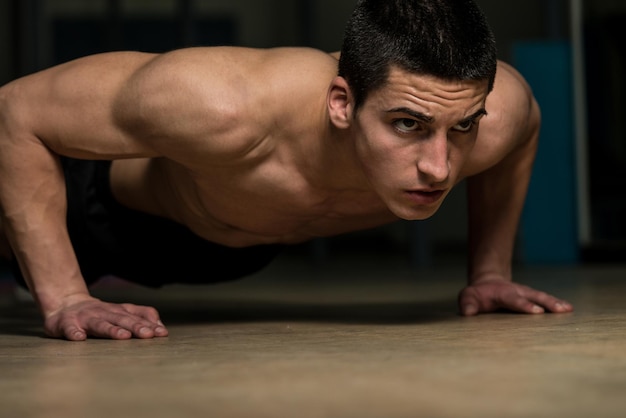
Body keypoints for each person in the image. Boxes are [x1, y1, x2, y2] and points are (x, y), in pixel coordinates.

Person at [0, 0, 573, 341]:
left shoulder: (497, 117)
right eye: (407, 125)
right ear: (341, 103)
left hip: (226, 244)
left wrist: (489, 271)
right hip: (84, 206)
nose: (439, 167)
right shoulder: (224, 104)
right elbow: (14, 111)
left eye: (463, 126)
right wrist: (65, 297)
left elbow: (520, 131)